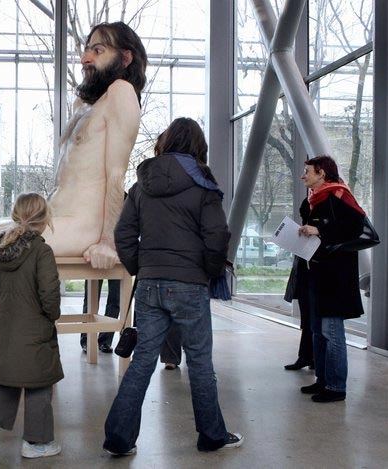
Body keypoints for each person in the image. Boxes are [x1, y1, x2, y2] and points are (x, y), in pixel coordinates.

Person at [0, 21, 147, 326]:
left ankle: (28, 343)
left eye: (98, 50)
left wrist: (107, 242)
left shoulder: (121, 93)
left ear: (125, 58)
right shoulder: (87, 105)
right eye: (87, 50)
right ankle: (23, 342)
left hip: (82, 225)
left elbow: (117, 176)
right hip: (51, 217)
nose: (86, 58)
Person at [103, 118, 243, 455]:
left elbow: (123, 234)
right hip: (189, 284)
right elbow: (217, 236)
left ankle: (119, 439)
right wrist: (208, 272)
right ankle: (211, 435)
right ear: (198, 146)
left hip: (150, 283)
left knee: (142, 361)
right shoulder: (203, 184)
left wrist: (141, 267)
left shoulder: (141, 185)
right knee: (199, 362)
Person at [0, 193, 63, 459]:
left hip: (7, 327)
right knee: (40, 383)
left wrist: (9, 306)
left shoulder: (3, 248)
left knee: (13, 378)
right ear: (44, 219)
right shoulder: (42, 250)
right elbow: (49, 293)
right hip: (35, 327)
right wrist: (50, 315)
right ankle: (36, 443)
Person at [290, 156, 365, 403]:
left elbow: (355, 228)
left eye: (307, 171)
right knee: (317, 331)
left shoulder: (339, 195)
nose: (303, 176)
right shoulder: (315, 199)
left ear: (322, 173)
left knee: (331, 331)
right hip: (317, 274)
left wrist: (319, 229)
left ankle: (336, 386)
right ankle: (323, 380)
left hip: (335, 277)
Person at [80, 279, 120, 353]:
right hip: (92, 267)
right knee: (90, 300)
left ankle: (105, 341)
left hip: (119, 267)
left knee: (115, 301)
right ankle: (87, 340)